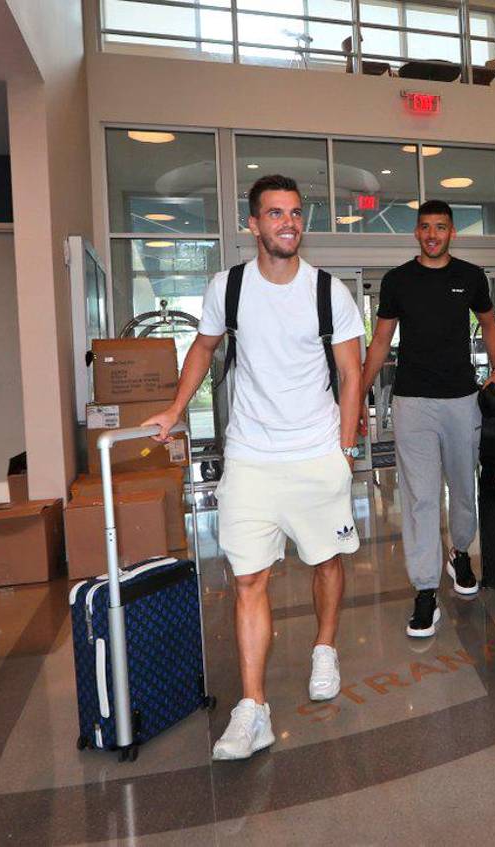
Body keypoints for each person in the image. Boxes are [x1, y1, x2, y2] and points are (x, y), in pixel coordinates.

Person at [144, 174, 365, 760]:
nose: (288, 222)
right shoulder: (229, 286)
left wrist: (343, 450)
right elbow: (203, 347)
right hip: (249, 456)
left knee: (327, 560)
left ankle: (324, 647)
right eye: (275, 213)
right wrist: (174, 408)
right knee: (247, 579)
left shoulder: (329, 291)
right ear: (254, 224)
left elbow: (352, 375)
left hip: (316, 452)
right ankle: (253, 708)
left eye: (295, 213)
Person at [360, 200, 495, 637]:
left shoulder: (470, 276)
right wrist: (359, 393)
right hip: (413, 402)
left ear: (452, 232)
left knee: (463, 488)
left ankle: (460, 553)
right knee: (421, 498)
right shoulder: (398, 280)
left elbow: (490, 323)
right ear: (416, 232)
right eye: (425, 227)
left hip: (462, 400)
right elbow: (381, 338)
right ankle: (425, 590)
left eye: (440, 227)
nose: (432, 234)